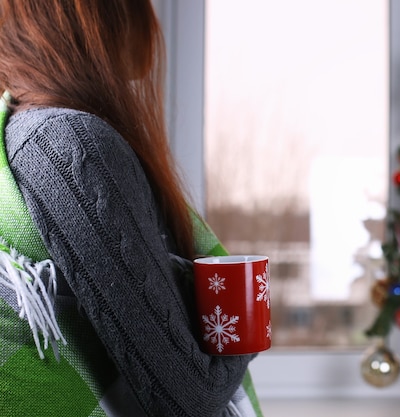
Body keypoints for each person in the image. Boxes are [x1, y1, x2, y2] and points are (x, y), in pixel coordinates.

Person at [0, 1, 261, 416]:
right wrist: (246, 324)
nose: (153, 22)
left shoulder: (25, 128)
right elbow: (188, 399)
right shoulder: (66, 144)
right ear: (106, 16)